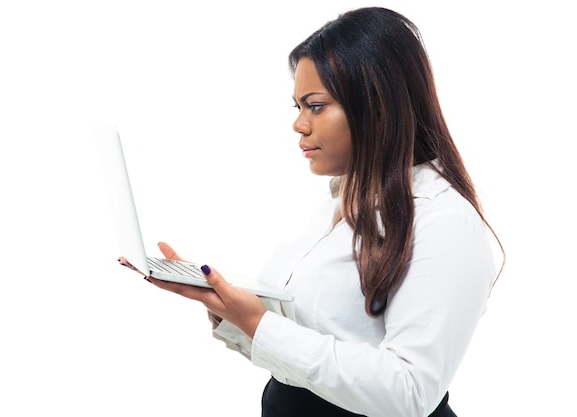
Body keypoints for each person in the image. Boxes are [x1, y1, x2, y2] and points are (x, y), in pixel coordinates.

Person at [127, 6, 504, 417]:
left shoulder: (444, 222)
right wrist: (226, 308)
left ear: (377, 105)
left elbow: (410, 391)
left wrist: (259, 324)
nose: (299, 124)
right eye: (298, 107)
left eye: (316, 105)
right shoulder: (335, 209)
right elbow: (307, 346)